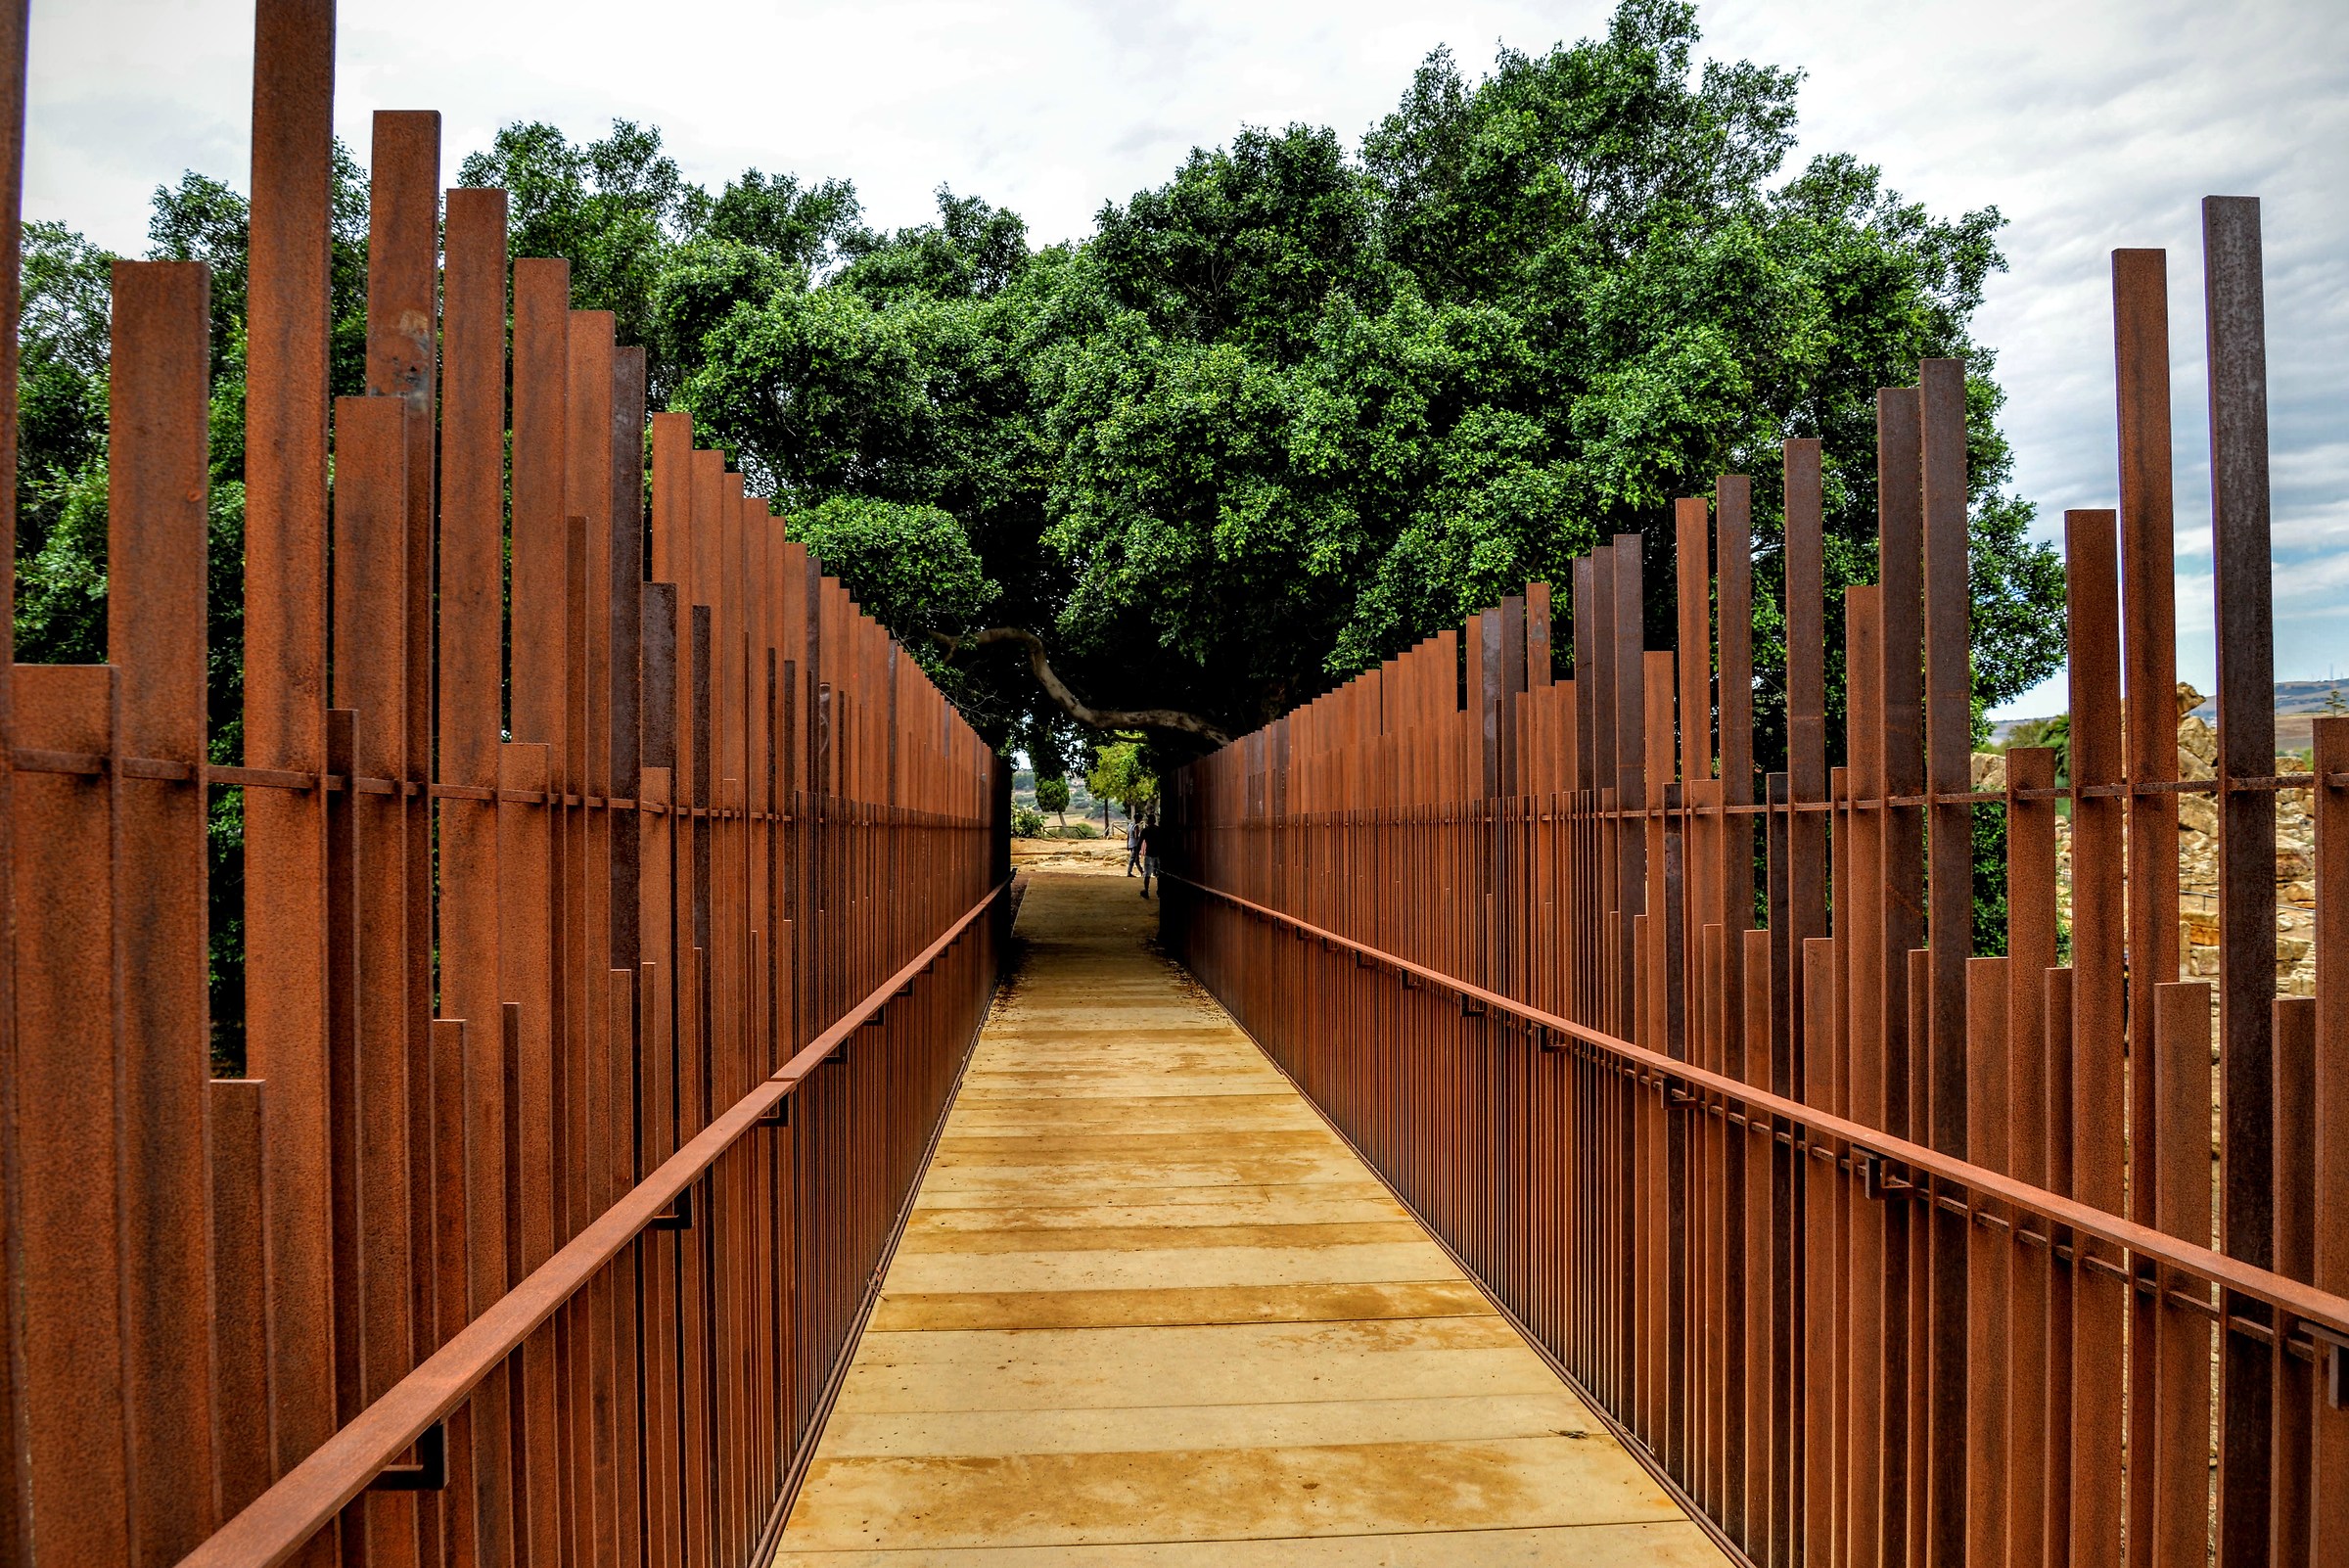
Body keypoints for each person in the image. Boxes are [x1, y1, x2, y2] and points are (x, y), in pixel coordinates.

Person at [1138, 815, 1162, 899]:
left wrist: (1137, 856)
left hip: (1149, 854)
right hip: (1158, 854)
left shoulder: (1145, 831)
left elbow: (1139, 843)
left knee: (1147, 874)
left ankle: (1146, 891)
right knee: (1159, 874)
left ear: (1148, 821)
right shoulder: (1159, 830)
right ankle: (1159, 891)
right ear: (1155, 821)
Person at [1125, 812, 1143, 876]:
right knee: (1133, 859)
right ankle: (1129, 872)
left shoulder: (1130, 825)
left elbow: (1128, 835)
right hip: (1135, 844)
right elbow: (1136, 836)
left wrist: (1127, 844)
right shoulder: (1136, 826)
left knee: (1136, 859)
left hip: (1130, 843)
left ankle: (1142, 871)